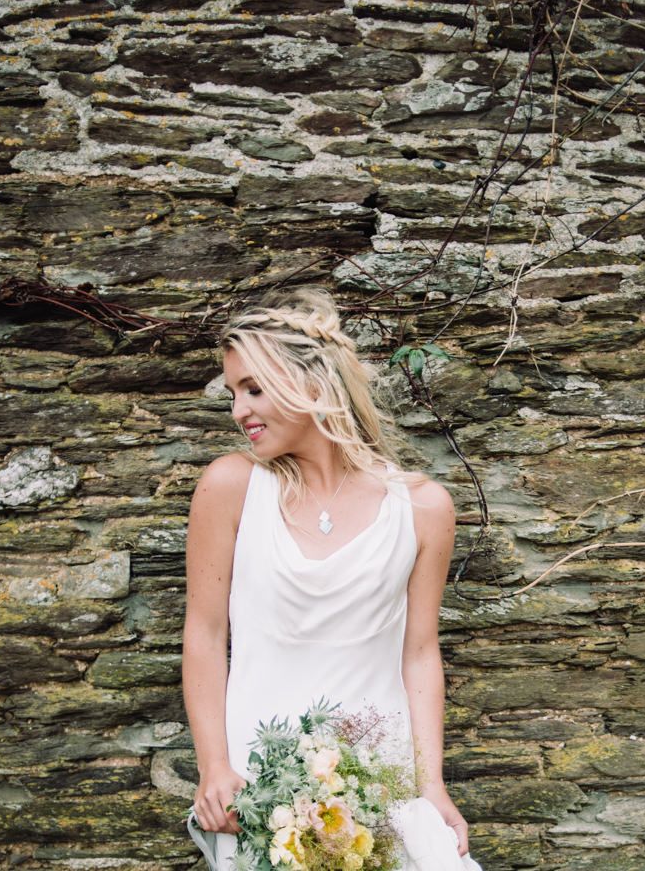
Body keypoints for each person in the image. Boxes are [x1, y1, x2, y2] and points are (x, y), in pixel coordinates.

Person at [181, 286, 472, 870]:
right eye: (235, 392)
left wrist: (431, 783)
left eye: (254, 388)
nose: (239, 410)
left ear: (312, 385)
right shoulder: (230, 486)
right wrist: (215, 766)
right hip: (261, 784)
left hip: (380, 779)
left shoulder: (422, 507)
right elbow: (206, 634)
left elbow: (418, 653)